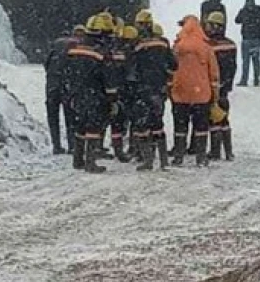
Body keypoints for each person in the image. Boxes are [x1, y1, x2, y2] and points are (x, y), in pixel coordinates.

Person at [65, 13, 118, 173]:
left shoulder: (76, 48)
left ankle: (78, 159)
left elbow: (67, 71)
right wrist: (112, 98)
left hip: (76, 92)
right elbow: (109, 77)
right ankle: (90, 162)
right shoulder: (102, 51)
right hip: (95, 94)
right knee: (94, 126)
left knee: (80, 125)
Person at [170, 15, 219, 167]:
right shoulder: (206, 47)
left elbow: (170, 68)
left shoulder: (177, 47)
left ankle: (178, 156)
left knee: (180, 126)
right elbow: (214, 72)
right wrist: (215, 94)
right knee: (201, 127)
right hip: (201, 95)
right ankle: (201, 157)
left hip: (180, 93)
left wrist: (170, 88)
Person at [131, 12, 177, 170]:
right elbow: (174, 65)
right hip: (159, 89)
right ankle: (163, 161)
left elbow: (132, 68)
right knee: (158, 123)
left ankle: (148, 160)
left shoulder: (137, 44)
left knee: (143, 124)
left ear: (143, 24)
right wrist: (165, 79)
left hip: (143, 89)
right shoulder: (163, 43)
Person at [43, 25, 84, 154]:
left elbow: (46, 64)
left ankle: (56, 145)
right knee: (70, 115)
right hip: (67, 84)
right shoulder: (76, 46)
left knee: (53, 115)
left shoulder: (55, 45)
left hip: (52, 83)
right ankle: (72, 145)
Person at [204, 11, 237, 161]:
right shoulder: (231, 44)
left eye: (209, 25)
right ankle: (229, 152)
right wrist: (227, 84)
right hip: (225, 87)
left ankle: (215, 151)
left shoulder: (209, 45)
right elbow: (233, 66)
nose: (207, 28)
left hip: (213, 85)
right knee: (224, 118)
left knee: (213, 119)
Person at [108, 25, 141, 162]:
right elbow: (135, 73)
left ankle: (118, 150)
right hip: (131, 91)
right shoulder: (135, 53)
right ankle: (133, 148)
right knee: (135, 120)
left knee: (116, 121)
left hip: (116, 91)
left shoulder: (114, 51)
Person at [234, 0, 260, 86]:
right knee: (256, 60)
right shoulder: (259, 10)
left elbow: (237, 20)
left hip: (246, 39)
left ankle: (244, 80)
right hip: (257, 39)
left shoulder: (244, 11)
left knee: (246, 61)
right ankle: (256, 79)